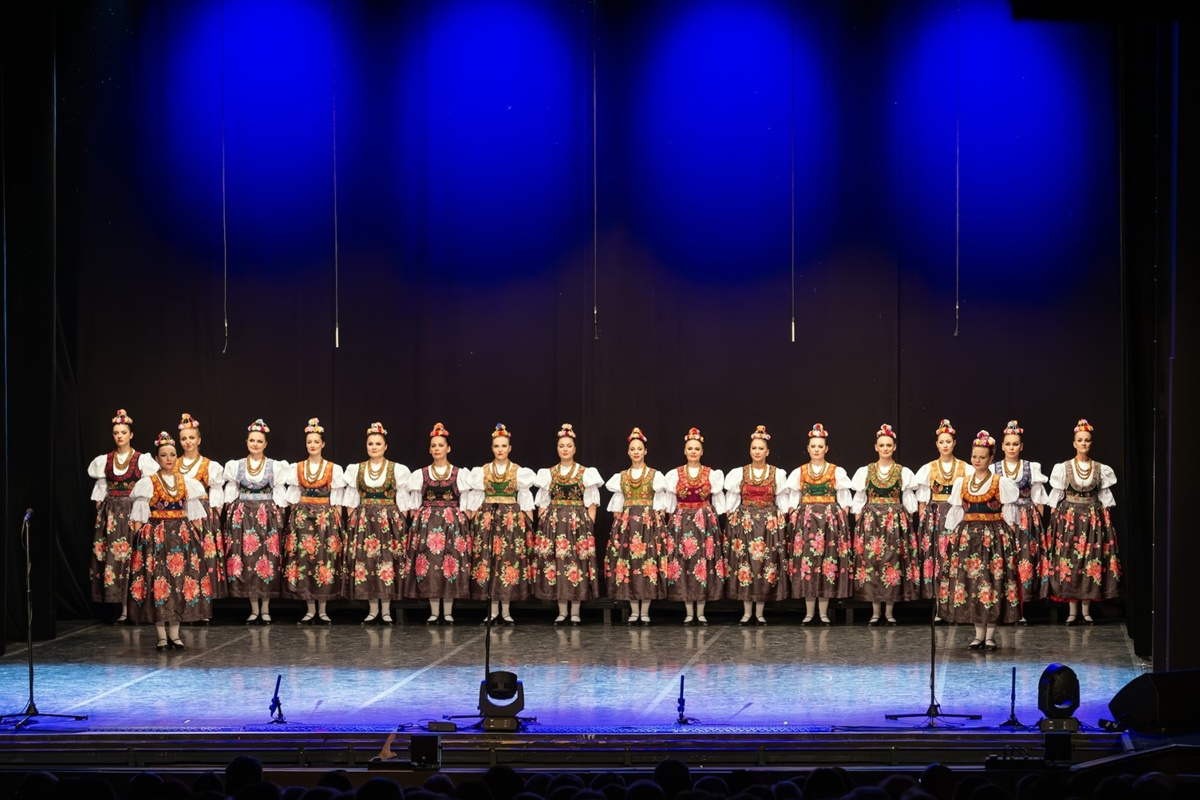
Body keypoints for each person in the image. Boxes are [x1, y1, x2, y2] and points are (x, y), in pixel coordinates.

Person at [127, 432, 211, 651]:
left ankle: (175, 634)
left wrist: (196, 540)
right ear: (157, 458)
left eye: (172, 454)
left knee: (178, 584)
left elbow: (195, 516)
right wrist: (141, 543)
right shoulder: (148, 483)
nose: (169, 459)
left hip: (181, 538)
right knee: (159, 584)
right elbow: (138, 517)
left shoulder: (186, 482)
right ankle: (162, 636)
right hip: (156, 538)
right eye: (164, 455)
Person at [938, 430, 1021, 650]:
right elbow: (956, 513)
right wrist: (951, 537)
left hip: (992, 538)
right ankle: (978, 634)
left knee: (991, 582)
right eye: (974, 456)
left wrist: (1010, 540)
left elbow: (1010, 513)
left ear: (991, 458)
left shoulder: (1000, 482)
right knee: (972, 584)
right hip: (968, 539)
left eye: (982, 457)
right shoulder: (963, 482)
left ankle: (990, 635)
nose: (977, 460)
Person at [1046, 419, 1121, 624]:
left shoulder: (1099, 469)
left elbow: (1105, 498)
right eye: (1080, 440)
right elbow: (1056, 497)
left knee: (1091, 561)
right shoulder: (1064, 468)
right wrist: (1054, 523)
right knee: (1070, 560)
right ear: (1074, 443)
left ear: (1091, 443)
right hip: (1069, 519)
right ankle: (1072, 611)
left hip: (1092, 519)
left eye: (1087, 440)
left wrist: (1106, 522)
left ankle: (1086, 611)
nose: (1083, 444)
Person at [88, 408, 159, 623]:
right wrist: (101, 515)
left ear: (131, 434)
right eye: (116, 433)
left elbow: (147, 490)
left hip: (133, 512)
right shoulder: (105, 460)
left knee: (134, 557)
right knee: (115, 559)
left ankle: (138, 608)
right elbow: (101, 492)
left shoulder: (141, 459)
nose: (120, 436)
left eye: (123, 432)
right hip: (111, 515)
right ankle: (123, 608)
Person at [532, 423, 603, 625]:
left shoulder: (585, 473)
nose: (565, 449)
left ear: (574, 448)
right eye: (561, 446)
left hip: (577, 526)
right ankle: (562, 611)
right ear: (557, 448)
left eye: (569, 446)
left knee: (576, 564)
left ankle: (576, 612)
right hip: (554, 525)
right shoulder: (548, 473)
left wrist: (588, 526)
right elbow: (543, 503)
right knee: (557, 565)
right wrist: (543, 527)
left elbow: (591, 504)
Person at [404, 422, 475, 623]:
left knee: (450, 564)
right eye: (433, 445)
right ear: (429, 449)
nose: (437, 449)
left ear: (448, 448)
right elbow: (413, 504)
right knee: (430, 565)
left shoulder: (460, 474)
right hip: (428, 524)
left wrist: (462, 524)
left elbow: (467, 504)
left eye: (441, 445)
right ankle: (435, 612)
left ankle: (449, 612)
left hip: (451, 524)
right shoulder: (421, 474)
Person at [784, 423, 853, 626]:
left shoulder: (835, 471)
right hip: (807, 522)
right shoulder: (800, 472)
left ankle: (823, 613)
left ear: (826, 449)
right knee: (808, 563)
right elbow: (793, 498)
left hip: (828, 522)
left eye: (820, 446)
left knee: (827, 563)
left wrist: (841, 521)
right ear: (808, 448)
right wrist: (794, 516)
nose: (816, 450)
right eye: (813, 446)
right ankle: (809, 612)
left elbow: (844, 500)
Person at [850, 423, 920, 625]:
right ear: (876, 447)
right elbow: (859, 501)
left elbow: (910, 504)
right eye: (882, 445)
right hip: (872, 522)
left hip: (894, 523)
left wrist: (905, 525)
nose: (885, 448)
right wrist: (860, 524)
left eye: (889, 445)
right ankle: (875, 612)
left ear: (894, 447)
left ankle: (889, 612)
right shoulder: (866, 471)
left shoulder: (902, 472)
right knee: (873, 563)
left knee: (892, 562)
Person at [278, 418, 346, 624]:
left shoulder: (333, 468)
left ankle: (323, 609)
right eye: (309, 442)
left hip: (325, 518)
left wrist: (337, 523)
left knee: (324, 560)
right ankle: (309, 608)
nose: (313, 445)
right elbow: (292, 499)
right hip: (303, 517)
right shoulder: (297, 468)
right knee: (304, 560)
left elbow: (337, 500)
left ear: (323, 443)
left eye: (316, 441)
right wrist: (293, 523)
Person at [342, 422, 411, 624]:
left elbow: (403, 502)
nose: (374, 447)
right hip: (364, 521)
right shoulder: (357, 469)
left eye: (378, 443)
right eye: (370, 443)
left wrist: (400, 525)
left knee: (387, 562)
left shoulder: (396, 469)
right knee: (368, 563)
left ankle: (386, 610)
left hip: (388, 522)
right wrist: (354, 523)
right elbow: (351, 502)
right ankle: (372, 610)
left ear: (385, 446)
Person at [467, 424, 535, 625]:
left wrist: (530, 526)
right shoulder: (483, 471)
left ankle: (505, 611)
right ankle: (492, 610)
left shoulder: (519, 472)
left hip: (510, 521)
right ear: (492, 448)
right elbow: (475, 501)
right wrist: (472, 524)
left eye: (504, 446)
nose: (500, 449)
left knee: (508, 562)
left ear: (510, 448)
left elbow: (525, 501)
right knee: (489, 562)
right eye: (496, 446)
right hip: (488, 520)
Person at [222, 419, 289, 624]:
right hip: (243, 516)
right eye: (252, 440)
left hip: (265, 516)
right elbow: (231, 493)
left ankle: (266, 608)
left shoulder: (274, 466)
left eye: (259, 441)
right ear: (247, 442)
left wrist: (278, 517)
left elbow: (280, 494)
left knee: (267, 559)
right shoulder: (237, 466)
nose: (255, 444)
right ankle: (253, 608)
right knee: (248, 559)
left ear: (265, 444)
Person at [661, 428, 727, 625]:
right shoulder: (674, 474)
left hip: (704, 522)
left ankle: (701, 611)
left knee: (703, 563)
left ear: (702, 452)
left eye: (697, 449)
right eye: (690, 448)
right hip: (681, 521)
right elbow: (669, 503)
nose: (693, 452)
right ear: (684, 451)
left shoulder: (711, 474)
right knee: (684, 563)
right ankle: (689, 612)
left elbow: (718, 502)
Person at [723, 425, 788, 625]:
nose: (757, 452)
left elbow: (782, 500)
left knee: (765, 564)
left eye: (761, 448)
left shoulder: (777, 473)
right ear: (750, 450)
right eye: (754, 448)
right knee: (745, 564)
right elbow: (732, 500)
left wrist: (782, 516)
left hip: (768, 523)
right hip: (746, 522)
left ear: (767, 451)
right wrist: (731, 514)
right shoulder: (739, 473)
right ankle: (746, 611)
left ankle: (759, 612)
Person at [604, 427, 667, 625]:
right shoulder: (621, 477)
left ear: (645, 451)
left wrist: (658, 529)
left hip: (648, 524)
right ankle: (633, 610)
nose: (636, 452)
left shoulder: (655, 476)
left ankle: (645, 611)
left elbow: (661, 507)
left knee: (647, 564)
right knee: (629, 564)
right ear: (628, 452)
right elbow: (617, 508)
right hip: (628, 525)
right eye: (633, 449)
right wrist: (618, 529)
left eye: (639, 448)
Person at [991, 420, 1050, 623]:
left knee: (1024, 561)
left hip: (1026, 519)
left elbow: (1039, 499)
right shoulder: (994, 468)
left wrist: (1037, 524)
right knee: (1003, 561)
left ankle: (1021, 610)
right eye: (1008, 444)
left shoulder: (1030, 468)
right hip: (1002, 518)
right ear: (1002, 446)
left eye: (1015, 444)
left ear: (1021, 446)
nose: (1011, 448)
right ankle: (1001, 609)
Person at [175, 413, 225, 621]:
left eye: (191, 437)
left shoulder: (209, 465)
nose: (188, 442)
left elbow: (216, 494)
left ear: (199, 439)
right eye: (184, 438)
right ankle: (183, 605)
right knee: (182, 559)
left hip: (203, 516)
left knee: (203, 559)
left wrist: (214, 517)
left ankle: (203, 608)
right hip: (179, 515)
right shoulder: (173, 464)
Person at [913, 419, 967, 611]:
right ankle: (938, 604)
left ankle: (955, 603)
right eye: (942, 442)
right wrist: (924, 519)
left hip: (956, 514)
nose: (945, 445)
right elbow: (922, 500)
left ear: (954, 443)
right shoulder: (929, 468)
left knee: (954, 556)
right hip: (935, 515)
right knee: (936, 557)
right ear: (937, 444)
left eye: (948, 441)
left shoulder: (964, 467)